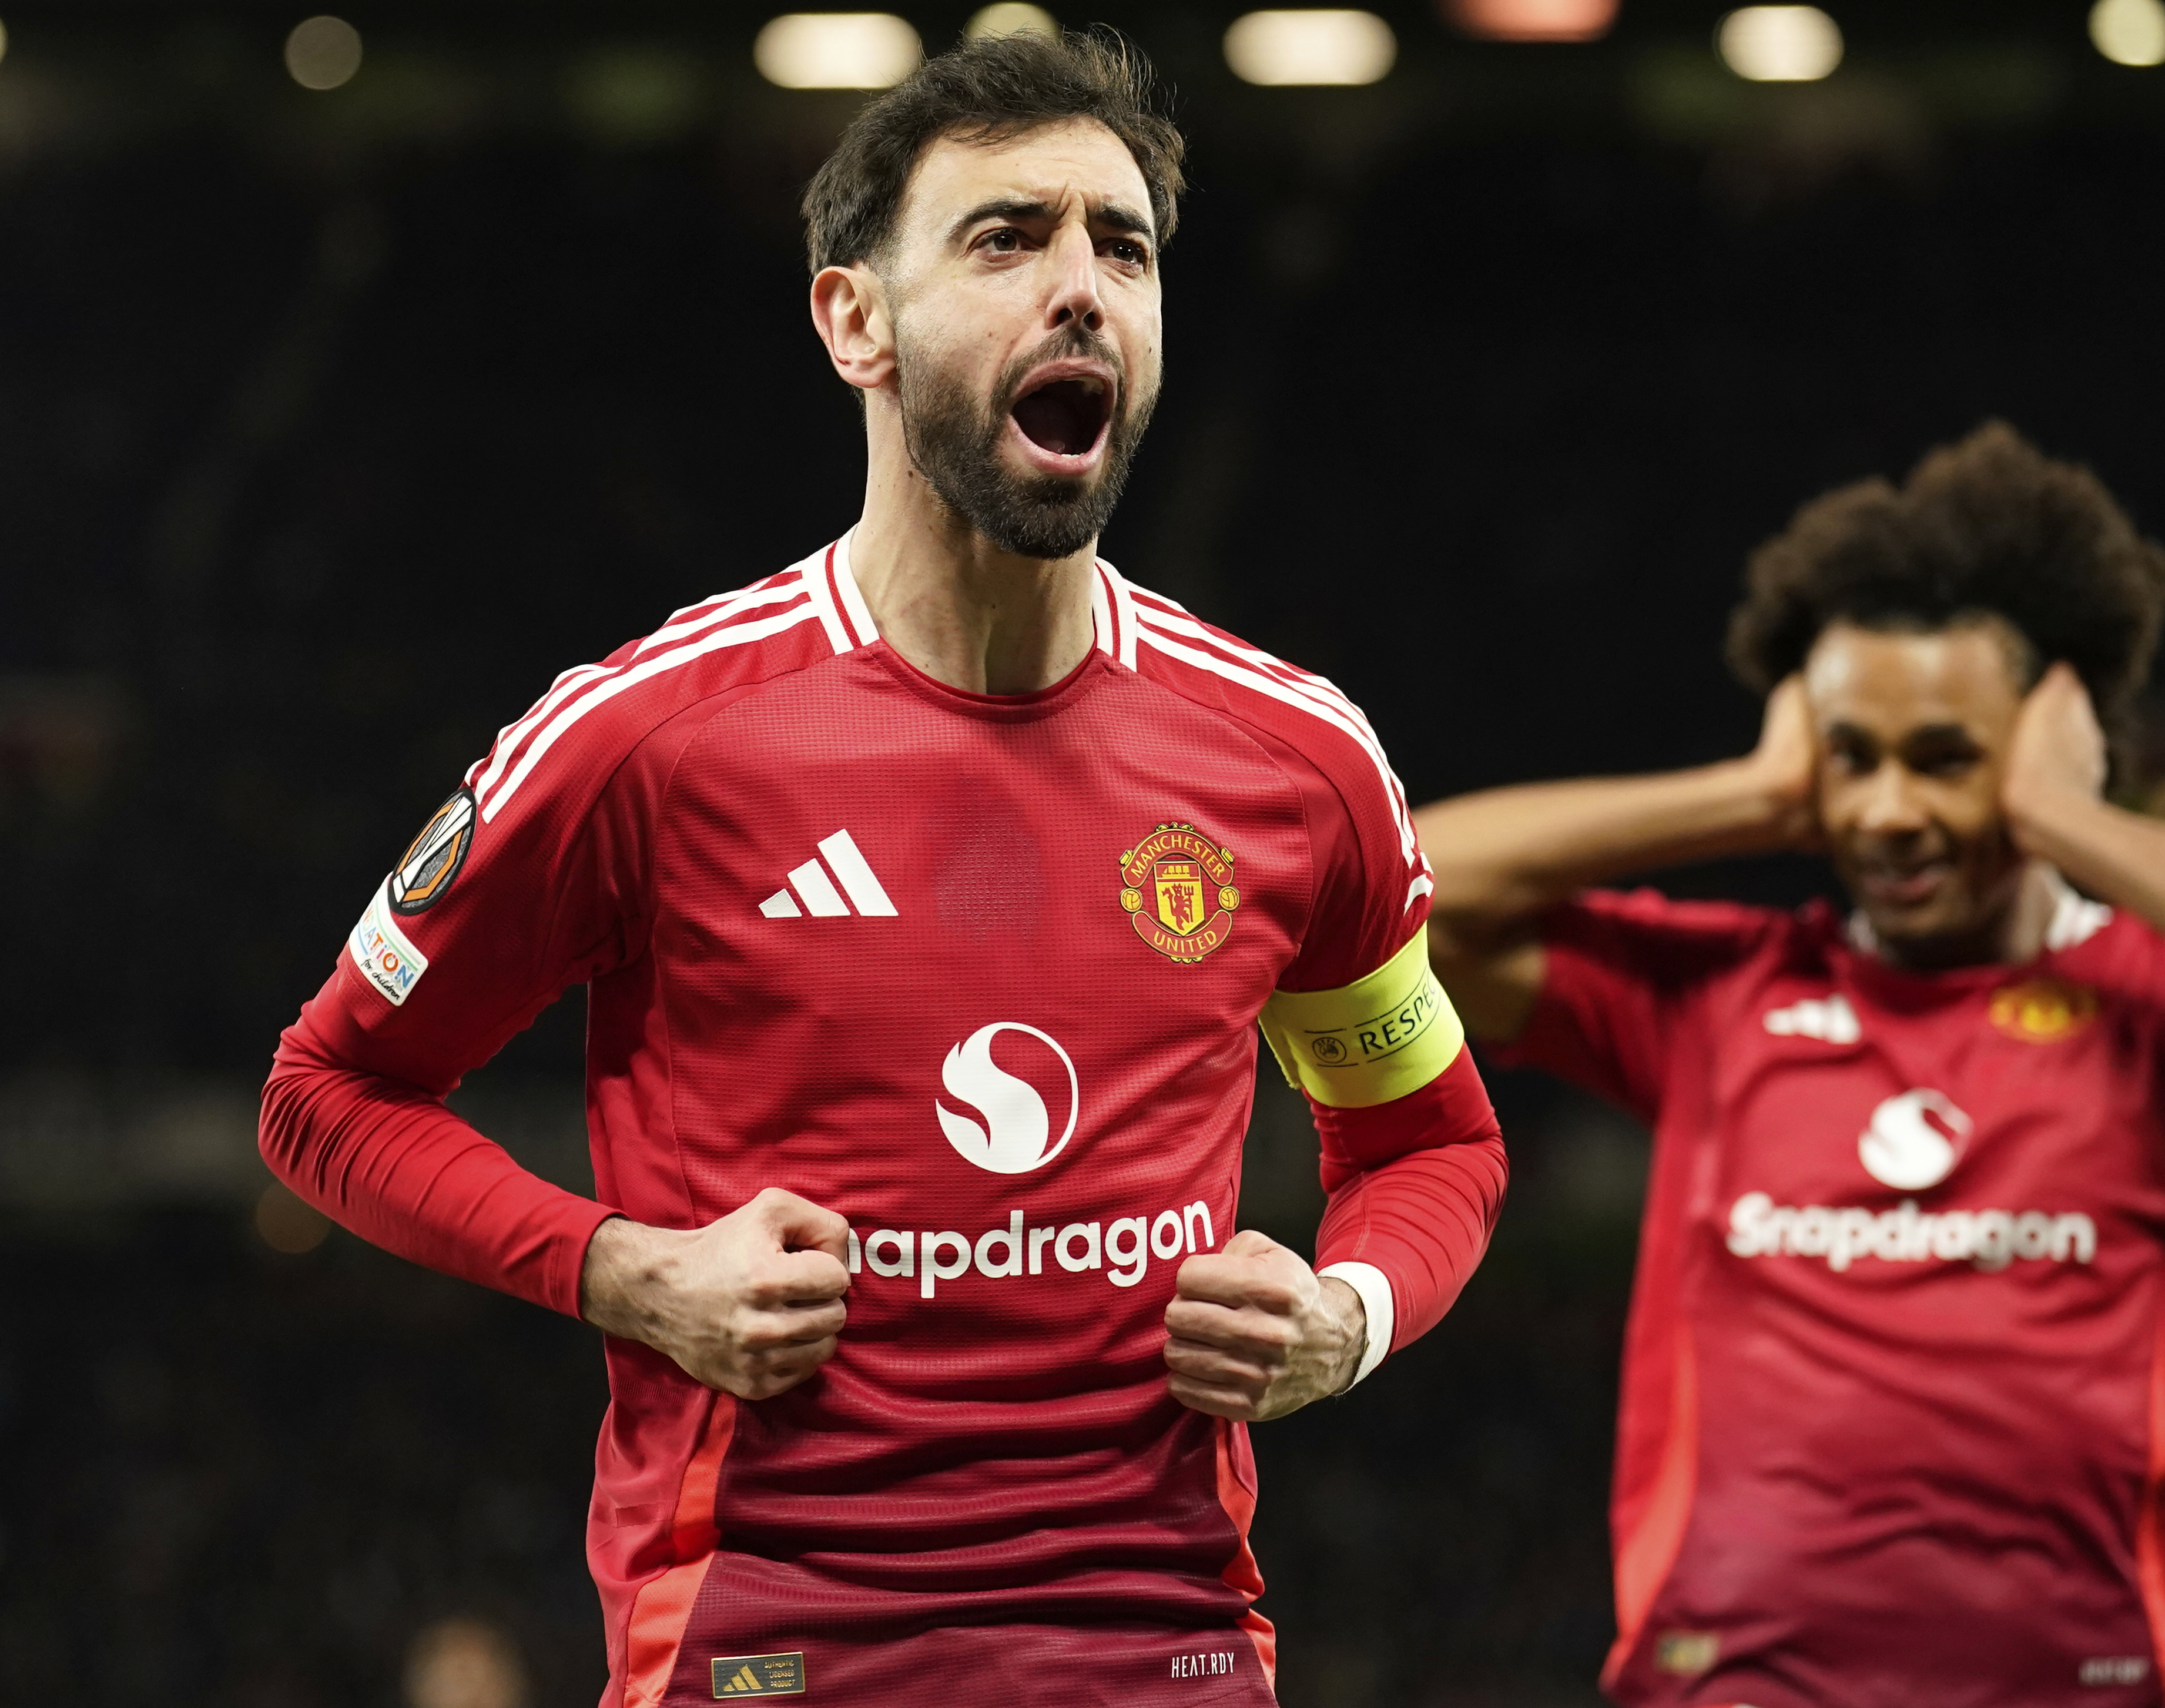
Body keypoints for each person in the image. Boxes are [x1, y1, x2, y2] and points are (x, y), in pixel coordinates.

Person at [259, 34, 1506, 1708]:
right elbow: (327, 1092)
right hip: (767, 1653)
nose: (1081, 289)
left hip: (1164, 1652)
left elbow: (1431, 1140)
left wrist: (1343, 1314)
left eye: (1121, 248)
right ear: (856, 320)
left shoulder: (1297, 762)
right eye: (1007, 239)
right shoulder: (649, 740)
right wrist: (632, 1273)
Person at [1416, 423, 2165, 1708]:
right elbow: (1406, 898)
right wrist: (1749, 794)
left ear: (2040, 750)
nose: (1889, 811)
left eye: (1946, 757)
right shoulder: (1721, 995)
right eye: (1856, 759)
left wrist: (2066, 813)